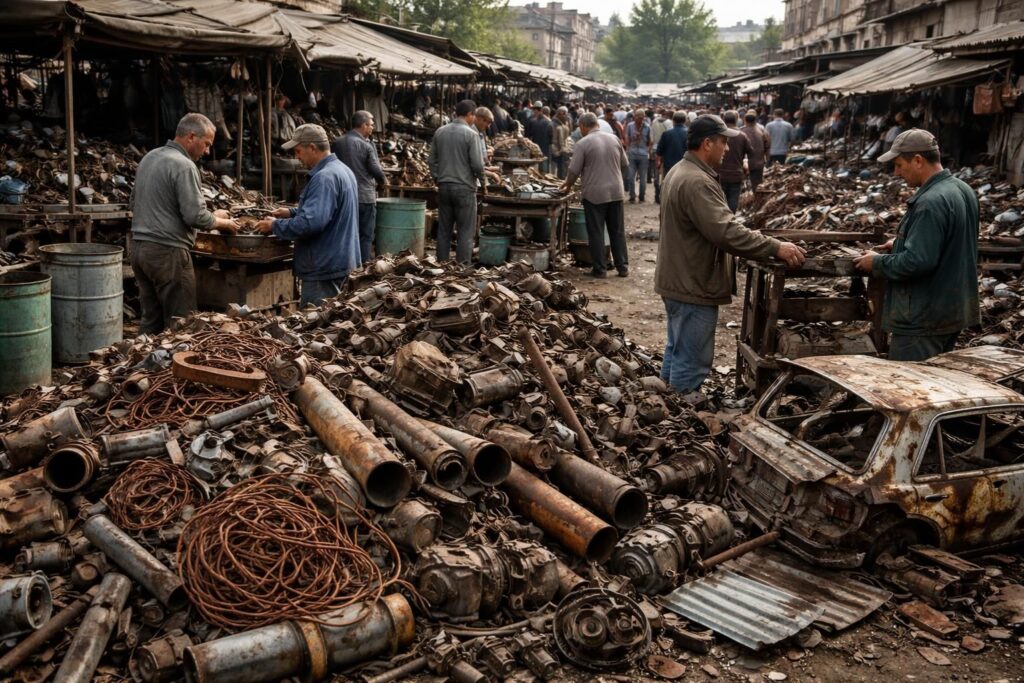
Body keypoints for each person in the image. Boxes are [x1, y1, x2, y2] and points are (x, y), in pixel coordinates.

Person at [656, 115, 806, 399]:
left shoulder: (680, 170)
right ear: (707, 143)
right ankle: (683, 413)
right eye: (723, 142)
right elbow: (726, 232)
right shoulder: (697, 181)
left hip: (679, 278)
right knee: (691, 358)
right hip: (693, 283)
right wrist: (775, 247)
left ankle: (667, 407)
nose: (727, 148)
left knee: (677, 349)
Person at [853, 129, 979, 361]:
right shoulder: (962, 190)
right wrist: (900, 242)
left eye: (900, 165)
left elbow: (918, 261)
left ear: (918, 160)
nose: (897, 172)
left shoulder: (930, 202)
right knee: (937, 386)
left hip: (924, 316)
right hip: (952, 310)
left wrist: (877, 263)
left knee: (911, 389)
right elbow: (949, 241)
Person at [130, 113, 239, 334]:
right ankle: (175, 367)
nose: (207, 151)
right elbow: (195, 217)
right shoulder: (184, 165)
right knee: (182, 324)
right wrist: (223, 223)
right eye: (206, 144)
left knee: (150, 321)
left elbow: (135, 202)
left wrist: (214, 214)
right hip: (167, 253)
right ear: (191, 137)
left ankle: (144, 366)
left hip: (139, 249)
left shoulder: (150, 157)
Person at [255, 124, 359, 307]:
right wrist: (290, 212)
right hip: (340, 261)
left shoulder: (324, 178)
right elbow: (330, 211)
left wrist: (275, 225)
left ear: (312, 147)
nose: (297, 157)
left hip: (323, 267)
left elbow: (310, 223)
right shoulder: (343, 170)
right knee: (335, 320)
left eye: (298, 151)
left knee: (317, 326)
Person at [560, 113, 629, 278]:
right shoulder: (614, 139)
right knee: (617, 231)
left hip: (594, 194)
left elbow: (573, 170)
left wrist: (567, 186)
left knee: (596, 231)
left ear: (583, 126)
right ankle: (623, 267)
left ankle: (600, 269)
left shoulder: (583, 143)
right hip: (616, 192)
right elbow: (625, 165)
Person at [428, 99, 485, 265]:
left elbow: (431, 161)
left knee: (444, 230)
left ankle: (442, 267)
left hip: (444, 187)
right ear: (469, 115)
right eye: (473, 116)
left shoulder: (440, 132)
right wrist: (483, 182)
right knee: (465, 232)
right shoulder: (471, 134)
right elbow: (477, 164)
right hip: (465, 189)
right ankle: (462, 269)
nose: (474, 119)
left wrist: (438, 178)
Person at [332, 110, 385, 264]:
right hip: (364, 197)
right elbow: (376, 170)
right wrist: (383, 181)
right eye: (371, 125)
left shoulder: (337, 142)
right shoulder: (366, 145)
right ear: (363, 125)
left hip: (344, 196)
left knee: (346, 233)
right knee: (366, 235)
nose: (373, 128)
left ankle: (346, 265)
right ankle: (362, 268)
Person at [718, 110, 750, 214]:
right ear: (737, 120)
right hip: (736, 173)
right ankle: (730, 221)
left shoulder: (718, 135)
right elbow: (750, 152)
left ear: (723, 120)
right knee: (733, 200)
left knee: (719, 200)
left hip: (719, 174)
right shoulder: (742, 136)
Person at [625, 108, 652, 203]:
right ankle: (632, 196)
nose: (640, 119)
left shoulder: (647, 127)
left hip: (643, 155)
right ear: (634, 117)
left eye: (641, 118)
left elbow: (650, 141)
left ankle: (641, 196)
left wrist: (647, 150)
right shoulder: (630, 126)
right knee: (631, 177)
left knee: (643, 178)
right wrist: (628, 146)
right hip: (632, 154)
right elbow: (626, 138)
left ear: (644, 117)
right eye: (638, 117)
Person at [741, 109, 769, 192]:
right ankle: (756, 201)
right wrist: (766, 159)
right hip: (758, 162)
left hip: (742, 163)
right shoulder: (762, 131)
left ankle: (744, 201)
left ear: (745, 121)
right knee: (757, 185)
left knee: (742, 185)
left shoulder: (740, 131)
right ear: (755, 121)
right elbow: (767, 146)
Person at [656, 110, 688, 177]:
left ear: (673, 121)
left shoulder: (666, 134)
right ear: (685, 121)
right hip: (685, 167)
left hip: (669, 167)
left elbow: (659, 151)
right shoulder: (689, 134)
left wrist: (658, 163)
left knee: (668, 186)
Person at [650, 108, 670, 203]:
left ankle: (656, 195)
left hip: (655, 149)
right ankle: (662, 194)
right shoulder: (668, 123)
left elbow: (651, 136)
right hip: (665, 150)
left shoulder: (654, 121)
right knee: (665, 174)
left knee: (656, 173)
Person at [526, 103, 553, 172]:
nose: (533, 113)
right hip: (545, 149)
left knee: (537, 169)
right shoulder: (549, 121)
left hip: (537, 149)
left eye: (534, 111)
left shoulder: (534, 122)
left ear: (538, 111)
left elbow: (529, 135)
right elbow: (551, 137)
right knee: (545, 169)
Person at [551, 106, 572, 179]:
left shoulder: (563, 123)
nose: (567, 115)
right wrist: (559, 151)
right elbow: (555, 140)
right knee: (559, 174)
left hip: (563, 152)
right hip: (558, 153)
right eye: (565, 114)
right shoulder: (554, 125)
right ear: (560, 114)